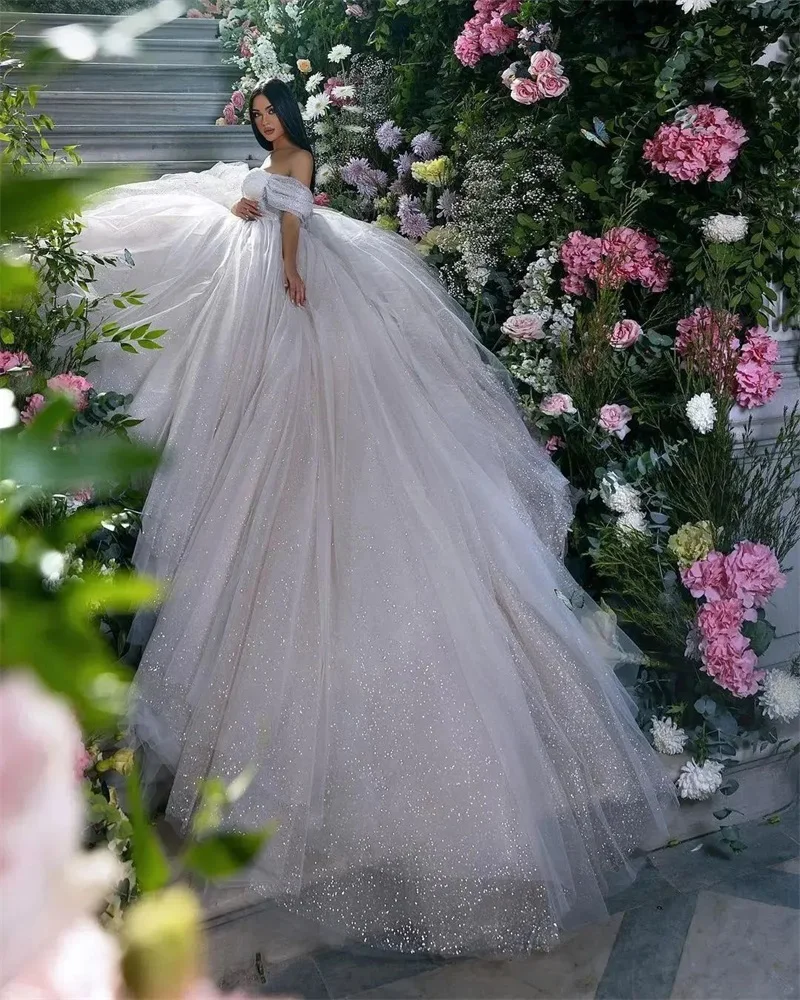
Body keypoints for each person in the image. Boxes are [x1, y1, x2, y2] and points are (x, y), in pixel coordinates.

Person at [77, 79, 676, 955]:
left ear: (295, 119)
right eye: (259, 117)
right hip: (271, 287)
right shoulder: (274, 163)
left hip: (297, 289)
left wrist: (284, 265)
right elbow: (257, 206)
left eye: (273, 114)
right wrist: (244, 212)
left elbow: (288, 222)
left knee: (334, 447)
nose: (266, 124)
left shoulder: (301, 167)